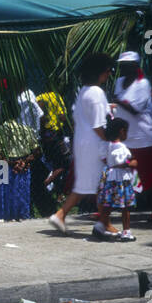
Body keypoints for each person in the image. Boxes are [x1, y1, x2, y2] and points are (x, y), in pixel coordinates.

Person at [48, 53, 114, 235]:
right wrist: (110, 141)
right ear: (100, 72)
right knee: (102, 184)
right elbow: (99, 125)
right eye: (108, 71)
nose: (109, 74)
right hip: (95, 145)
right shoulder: (97, 93)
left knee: (88, 185)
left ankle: (63, 215)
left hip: (82, 144)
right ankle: (103, 223)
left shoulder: (84, 91)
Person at [111, 51, 152, 220]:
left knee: (151, 178)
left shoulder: (143, 84)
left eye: (125, 65)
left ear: (134, 67)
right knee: (127, 176)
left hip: (144, 138)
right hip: (125, 139)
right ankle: (128, 208)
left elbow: (135, 109)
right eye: (121, 65)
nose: (122, 68)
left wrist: (118, 101)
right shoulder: (119, 82)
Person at [96, 117, 137, 242]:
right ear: (122, 131)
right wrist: (131, 162)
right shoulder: (122, 148)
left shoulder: (107, 145)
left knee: (108, 205)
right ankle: (126, 231)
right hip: (121, 180)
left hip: (110, 178)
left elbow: (106, 159)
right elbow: (125, 162)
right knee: (125, 207)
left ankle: (101, 226)